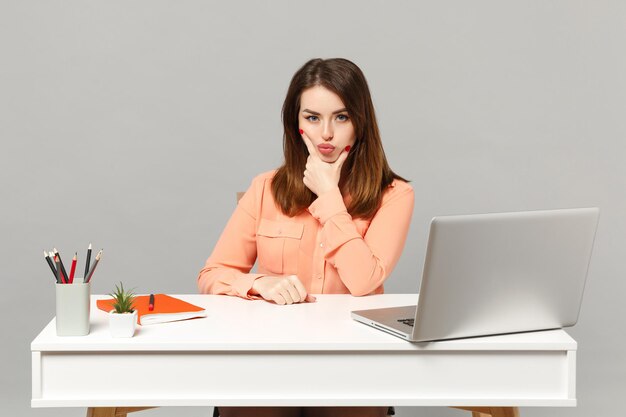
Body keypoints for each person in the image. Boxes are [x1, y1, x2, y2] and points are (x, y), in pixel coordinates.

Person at [198, 58, 414, 417]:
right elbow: (212, 274)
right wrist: (258, 283)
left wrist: (330, 199)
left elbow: (363, 282)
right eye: (312, 118)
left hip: (351, 360)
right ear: (295, 124)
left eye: (341, 117)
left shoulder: (394, 195)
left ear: (360, 122)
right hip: (270, 355)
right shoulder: (265, 187)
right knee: (250, 404)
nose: (326, 133)